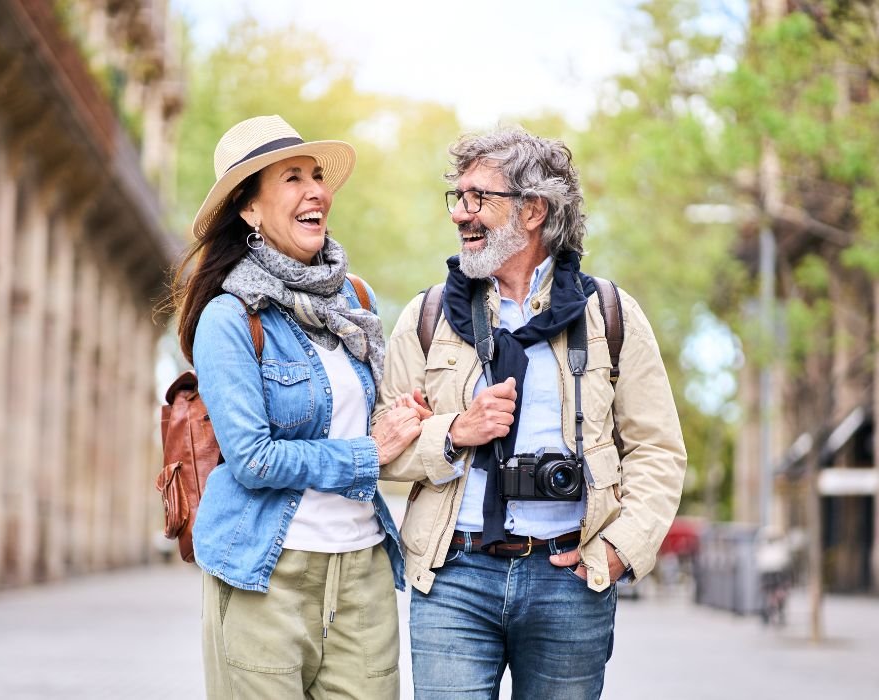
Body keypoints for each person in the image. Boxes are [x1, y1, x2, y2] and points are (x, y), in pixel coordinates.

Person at [375, 126, 687, 699]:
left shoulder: (609, 315)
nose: (460, 214)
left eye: (479, 198)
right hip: (453, 577)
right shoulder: (427, 316)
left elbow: (658, 450)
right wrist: (453, 432)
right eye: (458, 197)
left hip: (570, 579)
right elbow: (381, 448)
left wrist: (618, 554)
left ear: (534, 210)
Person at [171, 115, 421, 699]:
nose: (316, 192)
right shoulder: (229, 318)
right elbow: (253, 458)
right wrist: (367, 453)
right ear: (249, 210)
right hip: (266, 573)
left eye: (316, 176)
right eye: (292, 178)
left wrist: (407, 418)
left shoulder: (355, 300)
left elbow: (372, 419)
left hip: (362, 573)